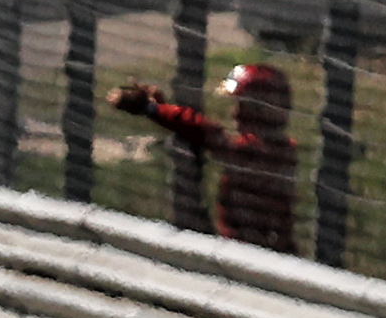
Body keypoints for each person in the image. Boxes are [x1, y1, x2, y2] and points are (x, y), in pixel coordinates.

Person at [111, 58, 302, 254]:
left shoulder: (261, 152)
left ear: (262, 110)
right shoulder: (279, 147)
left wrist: (152, 109)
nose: (234, 112)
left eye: (242, 105)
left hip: (255, 254)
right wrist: (162, 107)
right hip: (251, 250)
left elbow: (208, 134)